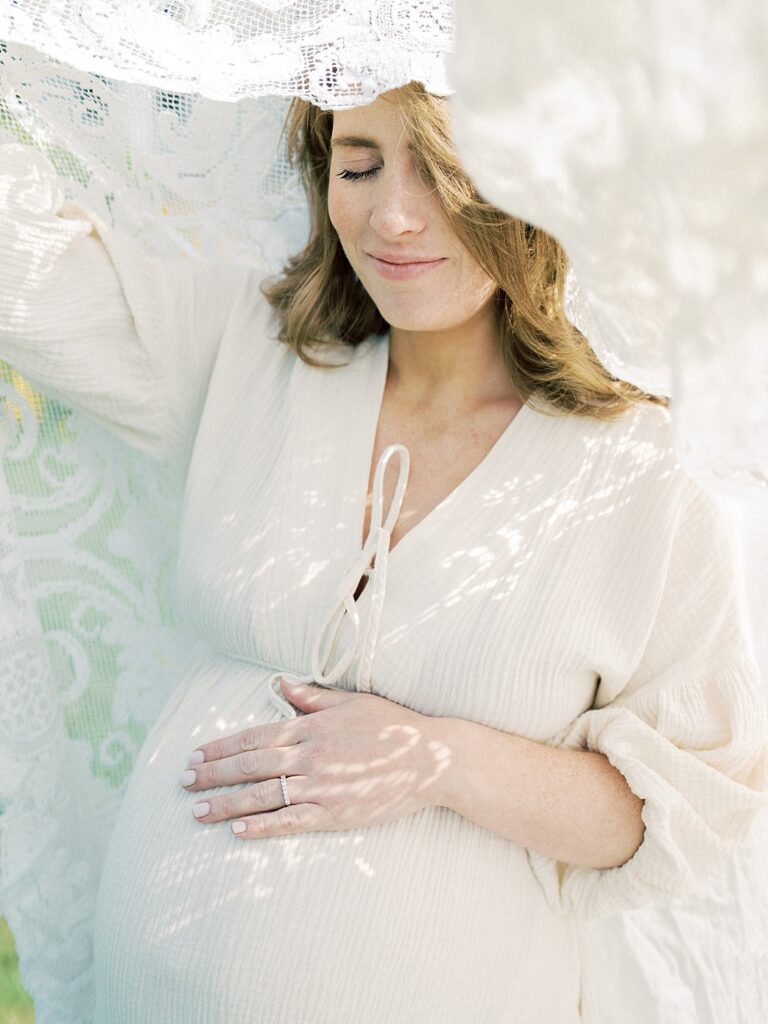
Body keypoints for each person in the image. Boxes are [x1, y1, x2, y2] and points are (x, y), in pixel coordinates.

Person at [1, 81, 766, 1024]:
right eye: (356, 165)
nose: (393, 216)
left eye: (449, 170)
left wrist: (437, 758)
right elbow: (18, 271)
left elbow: (673, 809)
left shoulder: (639, 470)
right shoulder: (247, 350)